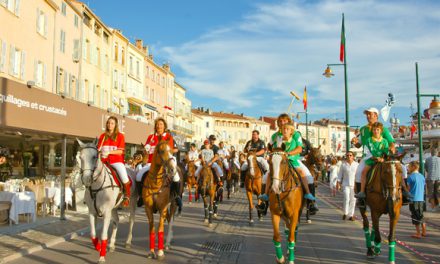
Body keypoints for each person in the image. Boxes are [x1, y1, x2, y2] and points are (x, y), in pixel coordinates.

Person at [352, 108, 412, 202]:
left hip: (384, 156)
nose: (368, 116)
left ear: (376, 115)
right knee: (359, 172)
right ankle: (361, 198)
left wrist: (391, 149)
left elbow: (391, 141)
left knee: (402, 169)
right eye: (367, 114)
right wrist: (355, 142)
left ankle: (404, 192)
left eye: (370, 114)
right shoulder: (363, 129)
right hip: (368, 156)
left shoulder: (382, 128)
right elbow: (359, 145)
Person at [135, 118, 177, 206]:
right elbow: (146, 149)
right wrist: (145, 150)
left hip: (165, 163)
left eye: (161, 124)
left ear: (164, 126)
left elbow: (172, 150)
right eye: (157, 124)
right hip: (151, 163)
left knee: (176, 177)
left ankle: (175, 196)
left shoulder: (168, 136)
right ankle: (141, 197)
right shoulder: (151, 137)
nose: (159, 126)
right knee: (139, 176)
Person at [97, 116, 130, 207]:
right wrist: (100, 154)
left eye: (112, 123)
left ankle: (127, 196)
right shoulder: (103, 136)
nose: (109, 125)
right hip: (104, 161)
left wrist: (109, 152)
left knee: (124, 176)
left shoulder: (120, 136)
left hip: (116, 161)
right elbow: (98, 149)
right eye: (108, 123)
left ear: (115, 125)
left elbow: (120, 151)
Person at [355, 122, 390, 199]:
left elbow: (386, 152)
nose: (376, 131)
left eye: (377, 130)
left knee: (391, 171)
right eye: (374, 130)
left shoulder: (384, 141)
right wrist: (374, 158)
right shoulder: (369, 140)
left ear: (381, 131)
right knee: (363, 172)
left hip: (382, 161)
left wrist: (382, 158)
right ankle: (362, 191)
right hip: (371, 160)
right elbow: (366, 151)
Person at [407, 161, 427, 238]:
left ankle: (418, 233)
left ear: (413, 167)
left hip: (413, 199)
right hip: (421, 199)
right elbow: (424, 187)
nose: (408, 168)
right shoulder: (422, 176)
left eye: (409, 167)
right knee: (421, 214)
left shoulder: (411, 177)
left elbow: (408, 189)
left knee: (415, 216)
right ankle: (424, 231)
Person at [337, 151, 358, 221]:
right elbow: (340, 174)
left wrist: (357, 185)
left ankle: (351, 215)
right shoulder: (343, 165)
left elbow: (358, 176)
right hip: (345, 184)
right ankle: (345, 213)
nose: (349, 156)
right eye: (347, 155)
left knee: (353, 200)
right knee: (346, 198)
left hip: (354, 185)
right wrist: (338, 182)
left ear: (353, 156)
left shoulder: (356, 165)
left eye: (350, 155)